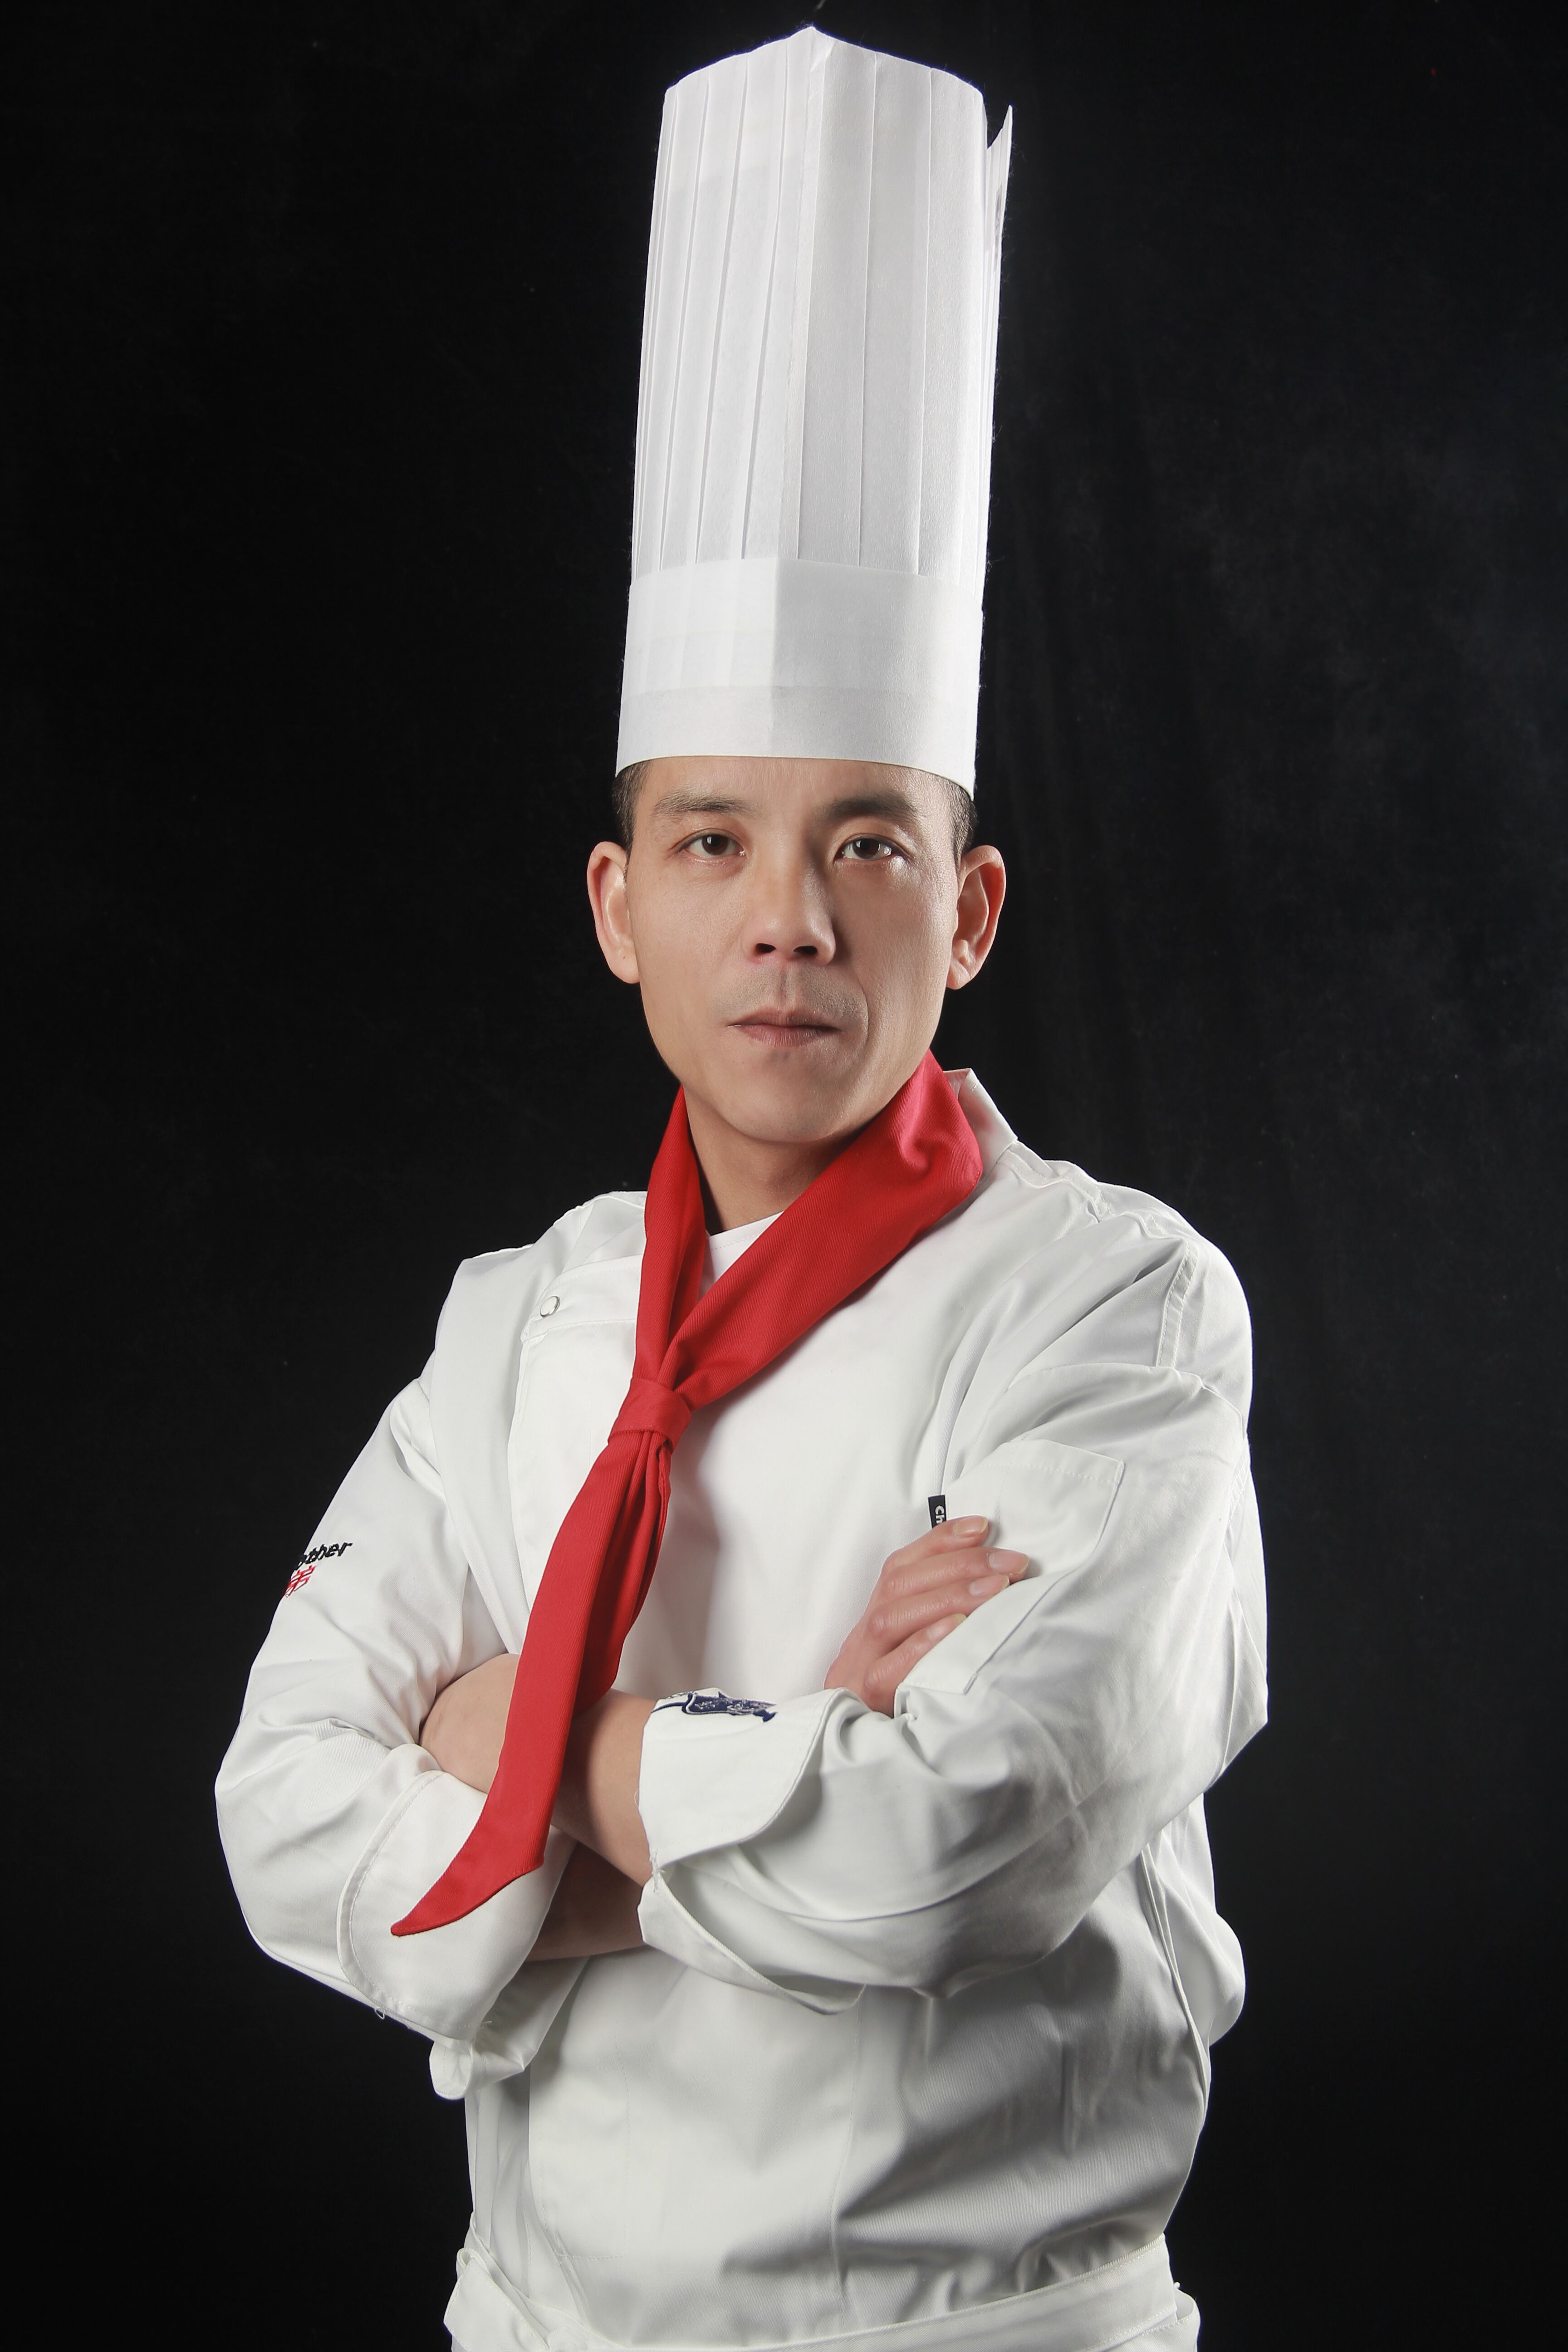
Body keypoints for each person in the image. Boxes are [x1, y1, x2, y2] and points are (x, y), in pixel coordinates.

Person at [218, 29, 1266, 2352]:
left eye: (864, 844)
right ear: (622, 907)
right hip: (543, 2319)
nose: (788, 918)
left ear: (966, 913)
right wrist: (801, 1738)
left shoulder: (1114, 1308)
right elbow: (274, 1811)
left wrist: (526, 1750)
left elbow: (958, 1852)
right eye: (713, 842)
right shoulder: (516, 1321)